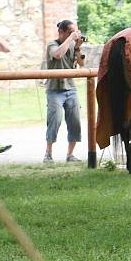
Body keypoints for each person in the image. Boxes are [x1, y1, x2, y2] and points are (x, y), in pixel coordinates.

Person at [44, 20, 84, 163]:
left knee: (75, 122)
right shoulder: (52, 44)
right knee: (54, 121)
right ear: (61, 32)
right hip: (55, 89)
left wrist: (78, 47)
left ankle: (70, 154)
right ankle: (48, 154)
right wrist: (70, 39)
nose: (74, 34)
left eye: (75, 32)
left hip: (71, 88)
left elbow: (81, 63)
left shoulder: (73, 45)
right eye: (70, 32)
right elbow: (57, 55)